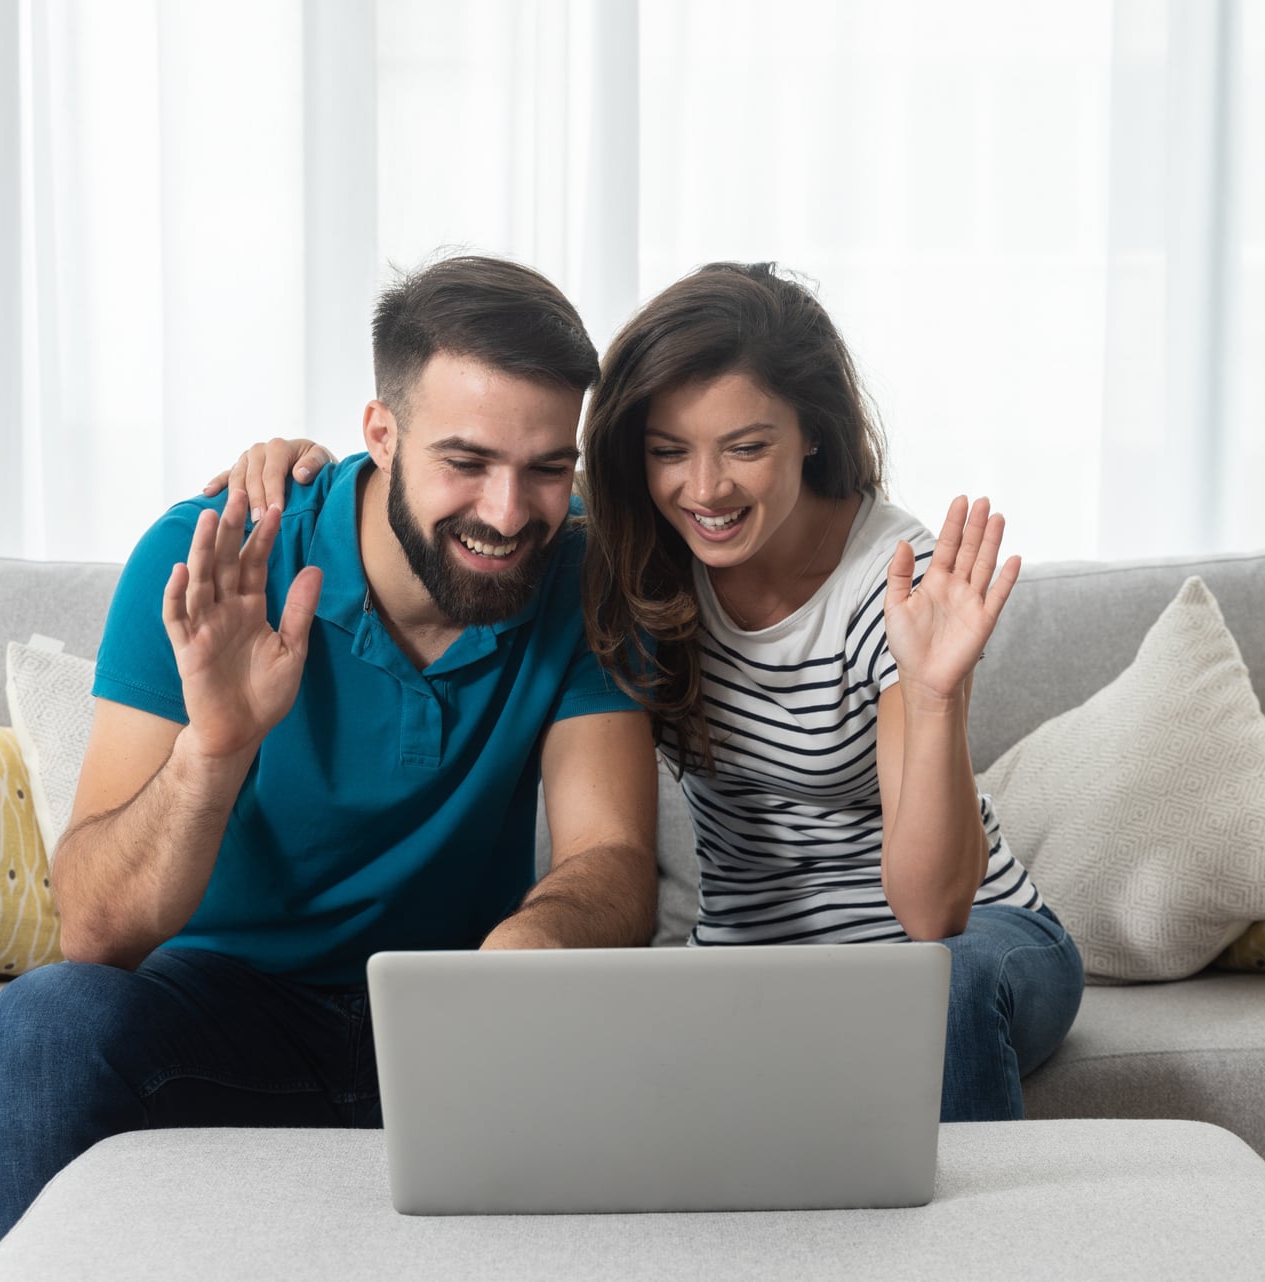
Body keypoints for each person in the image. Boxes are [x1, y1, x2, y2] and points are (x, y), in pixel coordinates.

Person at [234, 262, 1084, 1123]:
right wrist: (304, 468)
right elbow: (474, 481)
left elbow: (934, 914)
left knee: (945, 991)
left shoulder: (894, 586)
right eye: (670, 452)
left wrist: (933, 697)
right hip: (750, 966)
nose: (706, 489)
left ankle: (966, 1218)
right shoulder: (639, 557)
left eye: (746, 447)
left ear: (812, 433)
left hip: (963, 948)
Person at [0, 257, 659, 1247]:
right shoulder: (212, 554)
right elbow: (96, 930)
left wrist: (525, 953)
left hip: (455, 1017)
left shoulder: (583, 574)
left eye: (548, 467)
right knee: (49, 1023)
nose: (510, 513)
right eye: (466, 461)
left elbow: (613, 858)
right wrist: (215, 749)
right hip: (223, 1017)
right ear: (381, 434)